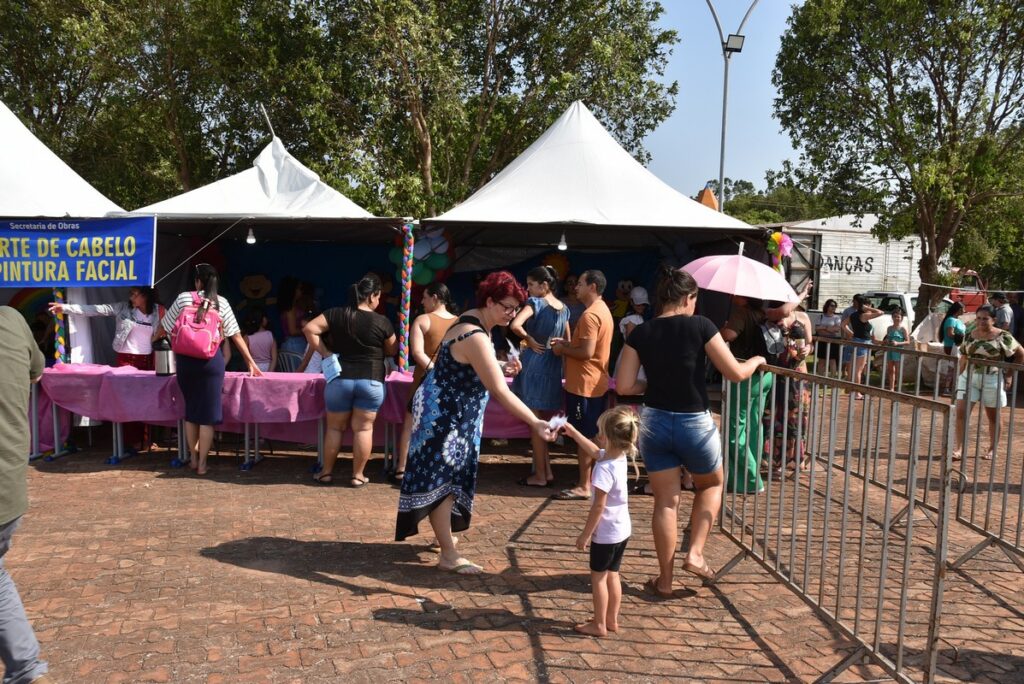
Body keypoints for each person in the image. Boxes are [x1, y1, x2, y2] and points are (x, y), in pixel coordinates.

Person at [617, 269, 764, 598]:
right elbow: (735, 372)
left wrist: (653, 383)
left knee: (666, 503)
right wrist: (756, 360)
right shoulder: (702, 326)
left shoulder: (642, 333)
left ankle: (665, 580)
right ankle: (695, 553)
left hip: (654, 422)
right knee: (711, 483)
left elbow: (626, 385)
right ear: (688, 299)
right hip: (694, 421)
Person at [395, 271, 555, 574]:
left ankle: (444, 539)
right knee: (443, 482)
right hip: (446, 419)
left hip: (448, 416)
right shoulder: (477, 334)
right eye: (507, 307)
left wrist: (500, 364)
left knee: (445, 479)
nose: (511, 314)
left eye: (515, 308)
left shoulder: (471, 319)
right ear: (490, 301)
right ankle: (448, 554)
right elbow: (498, 390)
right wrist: (535, 422)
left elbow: (470, 361)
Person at [161, 264, 262, 475]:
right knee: (207, 416)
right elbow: (235, 335)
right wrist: (251, 362)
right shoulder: (221, 302)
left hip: (186, 362)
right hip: (210, 363)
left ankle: (194, 458)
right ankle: (204, 464)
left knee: (191, 412)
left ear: (197, 281)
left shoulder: (182, 299)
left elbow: (166, 326)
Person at [303, 274, 397, 487]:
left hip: (340, 379)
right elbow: (392, 348)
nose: (379, 301)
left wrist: (326, 353)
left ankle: (326, 473)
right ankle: (357, 475)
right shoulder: (382, 321)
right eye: (379, 296)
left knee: (334, 428)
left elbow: (309, 329)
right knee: (363, 429)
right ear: (373, 296)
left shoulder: (336, 313)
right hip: (371, 380)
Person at [0, 306, 52, 684]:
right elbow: (37, 370)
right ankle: (25, 667)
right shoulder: (11, 320)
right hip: (9, 486)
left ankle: (25, 667)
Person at [48, 287, 163, 455]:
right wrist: (64, 308)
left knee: (146, 400)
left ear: (145, 296)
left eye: (134, 294)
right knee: (127, 401)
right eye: (130, 293)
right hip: (126, 359)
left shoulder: (158, 311)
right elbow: (95, 309)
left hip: (148, 360)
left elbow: (167, 327)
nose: (131, 297)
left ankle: (146, 440)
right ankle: (130, 441)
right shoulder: (123, 308)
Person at [720, 280, 809, 494]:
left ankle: (749, 479)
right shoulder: (764, 313)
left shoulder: (740, 314)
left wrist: (722, 329)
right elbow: (787, 310)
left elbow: (728, 336)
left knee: (735, 428)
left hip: (744, 374)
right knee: (754, 425)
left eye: (737, 292)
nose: (732, 295)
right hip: (765, 374)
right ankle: (750, 474)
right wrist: (803, 294)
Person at [561, 406, 637, 637]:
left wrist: (586, 534)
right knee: (613, 575)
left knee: (598, 579)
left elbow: (598, 506)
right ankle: (611, 619)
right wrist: (574, 433)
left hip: (605, 533)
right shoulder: (619, 456)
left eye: (598, 431)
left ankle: (599, 624)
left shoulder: (603, 469)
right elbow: (595, 451)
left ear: (607, 437)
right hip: (622, 529)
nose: (596, 434)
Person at [551, 270, 614, 501]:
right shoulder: (602, 310)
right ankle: (587, 480)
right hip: (592, 382)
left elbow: (587, 353)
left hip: (585, 385)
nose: (575, 287)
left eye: (579, 283)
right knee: (592, 434)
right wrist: (569, 343)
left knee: (584, 435)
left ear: (593, 287)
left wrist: (562, 349)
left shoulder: (590, 316)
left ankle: (584, 485)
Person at [510, 265, 571, 487]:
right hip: (553, 365)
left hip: (535, 363)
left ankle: (540, 476)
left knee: (535, 423)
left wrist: (529, 339)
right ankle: (546, 471)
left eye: (531, 285)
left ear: (544, 285)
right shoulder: (564, 308)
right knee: (541, 421)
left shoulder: (535, 303)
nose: (527, 289)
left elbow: (515, 325)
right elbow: (567, 339)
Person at [394, 283, 458, 484]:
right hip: (450, 381)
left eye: (424, 297)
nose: (421, 302)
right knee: (444, 425)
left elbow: (418, 353)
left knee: (410, 423)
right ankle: (439, 469)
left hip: (424, 380)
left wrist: (434, 373)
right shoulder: (460, 322)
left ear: (436, 297)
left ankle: (402, 469)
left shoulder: (422, 320)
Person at [953, 304, 1024, 461]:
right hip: (969, 378)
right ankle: (959, 448)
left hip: (992, 378)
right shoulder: (970, 334)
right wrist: (959, 376)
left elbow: (1021, 354)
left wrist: (1010, 375)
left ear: (994, 319)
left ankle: (992, 448)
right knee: (961, 413)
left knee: (993, 416)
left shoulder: (1003, 336)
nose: (981, 322)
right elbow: (964, 355)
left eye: (985, 319)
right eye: (978, 318)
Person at [842, 295, 883, 398]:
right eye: (869, 305)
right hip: (862, 343)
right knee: (858, 370)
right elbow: (880, 312)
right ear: (865, 305)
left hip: (854, 341)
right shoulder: (863, 315)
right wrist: (868, 308)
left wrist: (850, 333)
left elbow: (843, 324)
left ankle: (852, 390)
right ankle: (857, 392)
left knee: (852, 369)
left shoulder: (853, 314)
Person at [279, 279, 315, 357]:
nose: (300, 291)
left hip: (293, 343)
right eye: (298, 288)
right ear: (293, 291)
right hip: (294, 345)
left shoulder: (293, 307)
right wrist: (307, 330)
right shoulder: (290, 309)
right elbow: (292, 331)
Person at [940, 302, 966, 394]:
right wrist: (960, 336)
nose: (964, 310)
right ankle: (947, 388)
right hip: (952, 346)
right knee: (952, 368)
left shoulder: (957, 320)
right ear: (958, 310)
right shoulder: (951, 320)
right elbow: (950, 334)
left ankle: (953, 387)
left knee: (957, 368)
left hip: (958, 346)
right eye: (963, 308)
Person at [883, 307, 910, 391]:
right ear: (892, 317)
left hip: (898, 351)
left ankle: (899, 387)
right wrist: (887, 341)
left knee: (898, 370)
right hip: (890, 351)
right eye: (895, 316)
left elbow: (908, 341)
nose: (896, 318)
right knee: (891, 370)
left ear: (901, 318)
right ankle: (891, 387)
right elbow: (887, 338)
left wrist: (898, 343)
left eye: (898, 316)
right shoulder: (889, 328)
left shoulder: (903, 329)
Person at [815, 299, 843, 376]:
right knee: (821, 361)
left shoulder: (837, 318)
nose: (834, 307)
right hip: (821, 341)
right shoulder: (820, 316)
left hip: (833, 341)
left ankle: (832, 379)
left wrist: (824, 327)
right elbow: (817, 329)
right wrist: (829, 328)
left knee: (832, 361)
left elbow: (837, 329)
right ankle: (820, 378)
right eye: (832, 305)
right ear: (827, 306)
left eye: (835, 306)